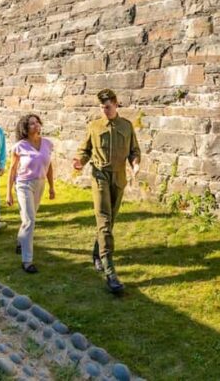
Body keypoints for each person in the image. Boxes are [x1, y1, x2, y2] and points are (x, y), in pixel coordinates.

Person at [72, 89, 141, 294]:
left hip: (119, 178)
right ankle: (110, 272)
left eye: (108, 107)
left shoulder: (127, 126)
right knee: (104, 221)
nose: (105, 111)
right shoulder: (94, 126)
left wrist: (135, 164)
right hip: (100, 176)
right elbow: (85, 150)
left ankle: (96, 254)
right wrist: (80, 161)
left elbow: (134, 151)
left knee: (109, 221)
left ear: (116, 104)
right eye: (102, 108)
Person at [6, 114, 55, 274]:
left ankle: (21, 241)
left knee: (28, 218)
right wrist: (8, 192)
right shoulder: (19, 146)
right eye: (32, 124)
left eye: (37, 123)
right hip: (23, 184)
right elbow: (12, 170)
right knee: (30, 220)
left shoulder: (47, 144)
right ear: (25, 129)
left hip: (40, 183)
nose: (36, 126)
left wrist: (52, 187)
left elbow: (49, 166)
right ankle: (27, 261)